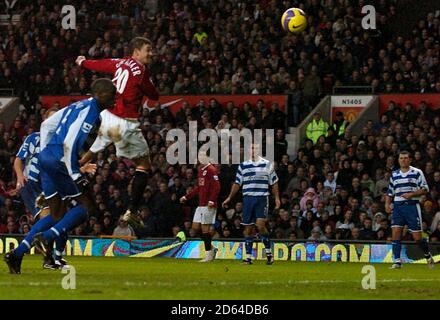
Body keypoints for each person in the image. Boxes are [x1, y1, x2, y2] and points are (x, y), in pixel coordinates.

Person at [30, 79, 116, 264]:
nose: (115, 98)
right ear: (100, 95)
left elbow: (46, 126)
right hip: (60, 161)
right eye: (111, 94)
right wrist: (76, 174)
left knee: (59, 212)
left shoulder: (81, 106)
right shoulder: (90, 113)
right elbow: (69, 143)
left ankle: (42, 253)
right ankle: (45, 238)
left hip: (50, 158)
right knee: (87, 206)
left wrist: (47, 151)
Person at [76, 37, 159, 221]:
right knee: (144, 165)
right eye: (148, 49)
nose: (151, 53)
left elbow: (101, 65)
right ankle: (132, 210)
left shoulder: (120, 62)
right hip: (125, 123)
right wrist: (151, 86)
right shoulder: (141, 71)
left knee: (85, 157)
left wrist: (83, 62)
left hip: (107, 116)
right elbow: (154, 95)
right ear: (136, 51)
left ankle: (58, 185)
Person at [222, 143, 280, 265]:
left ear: (259, 150)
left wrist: (277, 198)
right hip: (248, 199)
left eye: (255, 148)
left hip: (262, 198)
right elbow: (237, 183)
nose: (253, 150)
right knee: (248, 229)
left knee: (260, 226)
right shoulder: (243, 166)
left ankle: (269, 253)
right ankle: (248, 258)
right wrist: (229, 198)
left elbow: (274, 182)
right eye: (251, 148)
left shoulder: (267, 164)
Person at [385, 151, 435, 269]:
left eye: (406, 158)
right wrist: (387, 204)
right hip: (397, 206)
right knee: (396, 233)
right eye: (401, 158)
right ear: (398, 160)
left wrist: (411, 194)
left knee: (417, 237)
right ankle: (397, 262)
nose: (403, 160)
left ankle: (427, 255)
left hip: (411, 206)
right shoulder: (394, 174)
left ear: (410, 160)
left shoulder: (417, 172)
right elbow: (390, 192)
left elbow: (425, 189)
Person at [180, 152, 221, 262]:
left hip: (208, 205)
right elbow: (199, 188)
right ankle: (211, 249)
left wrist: (212, 200)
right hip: (201, 204)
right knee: (195, 228)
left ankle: (208, 255)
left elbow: (217, 187)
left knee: (205, 230)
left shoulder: (211, 170)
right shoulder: (201, 171)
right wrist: (186, 197)